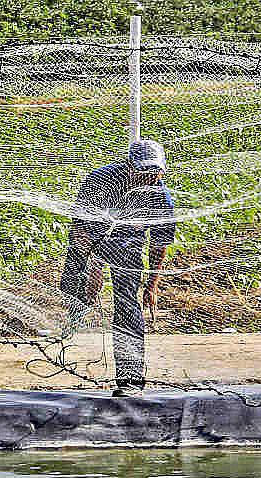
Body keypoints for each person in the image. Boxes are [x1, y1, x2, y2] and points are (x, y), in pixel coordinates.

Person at [60, 139, 176, 397]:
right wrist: (93, 264)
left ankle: (130, 380)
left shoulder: (160, 199)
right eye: (143, 172)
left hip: (127, 246)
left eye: (155, 173)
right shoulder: (101, 181)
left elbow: (159, 245)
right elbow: (79, 226)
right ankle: (72, 318)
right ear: (129, 167)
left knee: (127, 305)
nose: (149, 178)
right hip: (90, 238)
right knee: (73, 290)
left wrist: (152, 285)